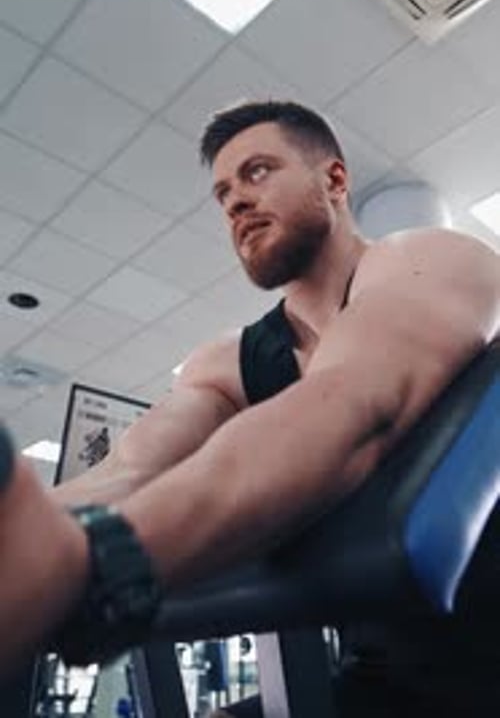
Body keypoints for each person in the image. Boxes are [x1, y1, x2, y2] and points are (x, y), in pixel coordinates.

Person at [0, 102, 498, 714]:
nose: (235, 201)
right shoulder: (227, 362)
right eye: (223, 193)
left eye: (257, 171)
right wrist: (23, 531)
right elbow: (128, 473)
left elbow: (351, 406)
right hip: (381, 673)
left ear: (335, 181)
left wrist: (97, 564)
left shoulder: (428, 261)